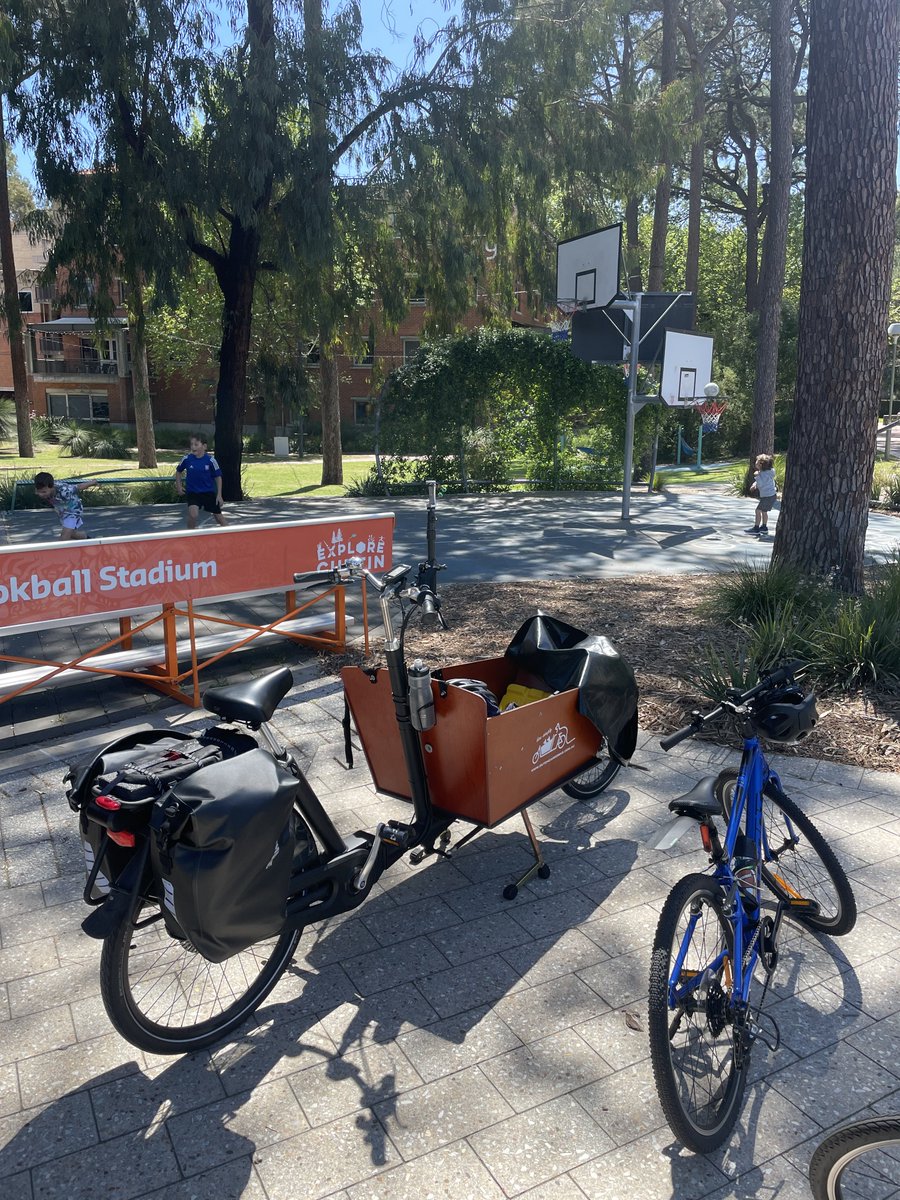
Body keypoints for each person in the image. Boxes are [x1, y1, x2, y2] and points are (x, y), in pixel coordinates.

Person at [175, 434, 226, 529]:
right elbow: (178, 471)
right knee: (193, 514)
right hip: (193, 493)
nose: (193, 447)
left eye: (196, 444)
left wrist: (219, 495)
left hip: (208, 493)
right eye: (191, 444)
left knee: (219, 518)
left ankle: (230, 534)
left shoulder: (211, 460)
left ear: (204, 446)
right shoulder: (187, 459)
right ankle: (190, 534)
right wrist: (179, 486)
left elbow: (218, 477)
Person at [33, 471, 99, 540]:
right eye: (38, 491)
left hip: (73, 510)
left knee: (64, 537)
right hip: (62, 511)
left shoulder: (64, 490)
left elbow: (78, 487)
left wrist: (92, 482)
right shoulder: (41, 487)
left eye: (44, 492)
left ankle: (61, 547)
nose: (41, 494)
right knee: (72, 534)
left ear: (52, 487)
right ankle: (90, 540)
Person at [746, 453, 777, 536]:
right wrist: (755, 484)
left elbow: (761, 484)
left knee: (758, 510)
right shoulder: (768, 472)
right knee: (764, 511)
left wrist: (757, 476)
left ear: (760, 464)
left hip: (767, 496)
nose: (755, 463)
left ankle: (756, 528)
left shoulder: (762, 475)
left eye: (757, 461)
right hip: (771, 495)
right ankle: (764, 527)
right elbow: (763, 482)